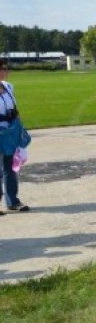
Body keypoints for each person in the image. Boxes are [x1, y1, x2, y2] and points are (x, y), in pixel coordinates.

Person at [0, 60, 28, 213]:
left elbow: (14, 109)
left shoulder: (8, 87)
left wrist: (19, 126)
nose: (6, 71)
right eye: (3, 69)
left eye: (6, 68)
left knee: (10, 167)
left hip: (9, 132)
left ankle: (13, 201)